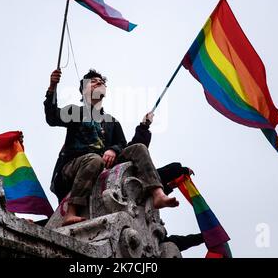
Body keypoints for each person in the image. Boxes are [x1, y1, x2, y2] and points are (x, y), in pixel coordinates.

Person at [44, 69, 179, 226]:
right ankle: (71, 212)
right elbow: (52, 117)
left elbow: (125, 147)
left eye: (102, 82)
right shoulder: (75, 112)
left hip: (102, 165)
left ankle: (158, 193)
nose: (99, 82)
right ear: (83, 90)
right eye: (93, 81)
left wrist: (142, 128)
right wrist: (52, 87)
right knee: (94, 160)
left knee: (139, 148)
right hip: (73, 167)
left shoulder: (111, 122)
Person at [129, 112, 205, 252]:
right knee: (176, 167)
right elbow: (136, 147)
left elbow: (172, 243)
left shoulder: (155, 233)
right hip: (130, 182)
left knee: (168, 246)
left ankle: (161, 191)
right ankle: (161, 192)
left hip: (141, 187)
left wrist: (203, 237)